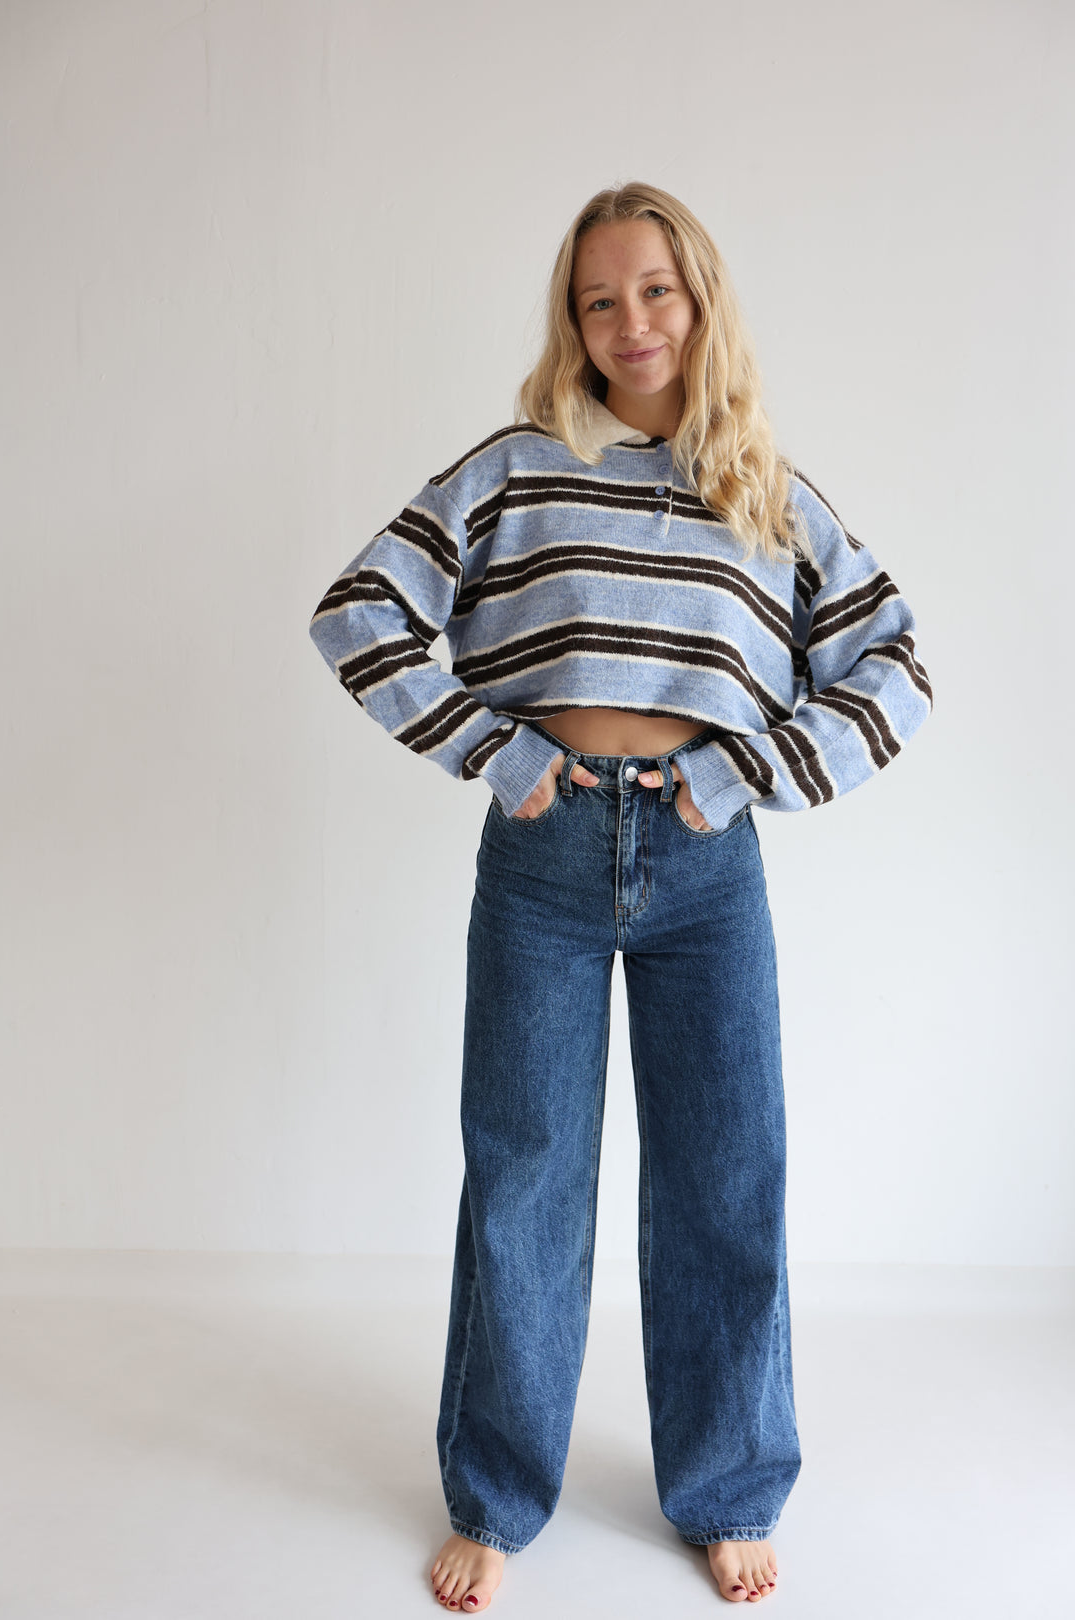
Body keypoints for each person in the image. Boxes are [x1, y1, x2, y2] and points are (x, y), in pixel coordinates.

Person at [308, 181, 932, 1611]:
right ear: (572, 323)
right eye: (600, 300)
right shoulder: (517, 468)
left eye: (655, 289)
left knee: (726, 1176)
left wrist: (749, 772)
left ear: (699, 299)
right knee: (524, 1179)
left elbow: (895, 661)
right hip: (544, 856)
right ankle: (497, 1496)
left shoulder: (763, 489)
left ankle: (727, 1488)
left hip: (708, 865)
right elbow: (360, 610)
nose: (631, 321)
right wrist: (498, 751)